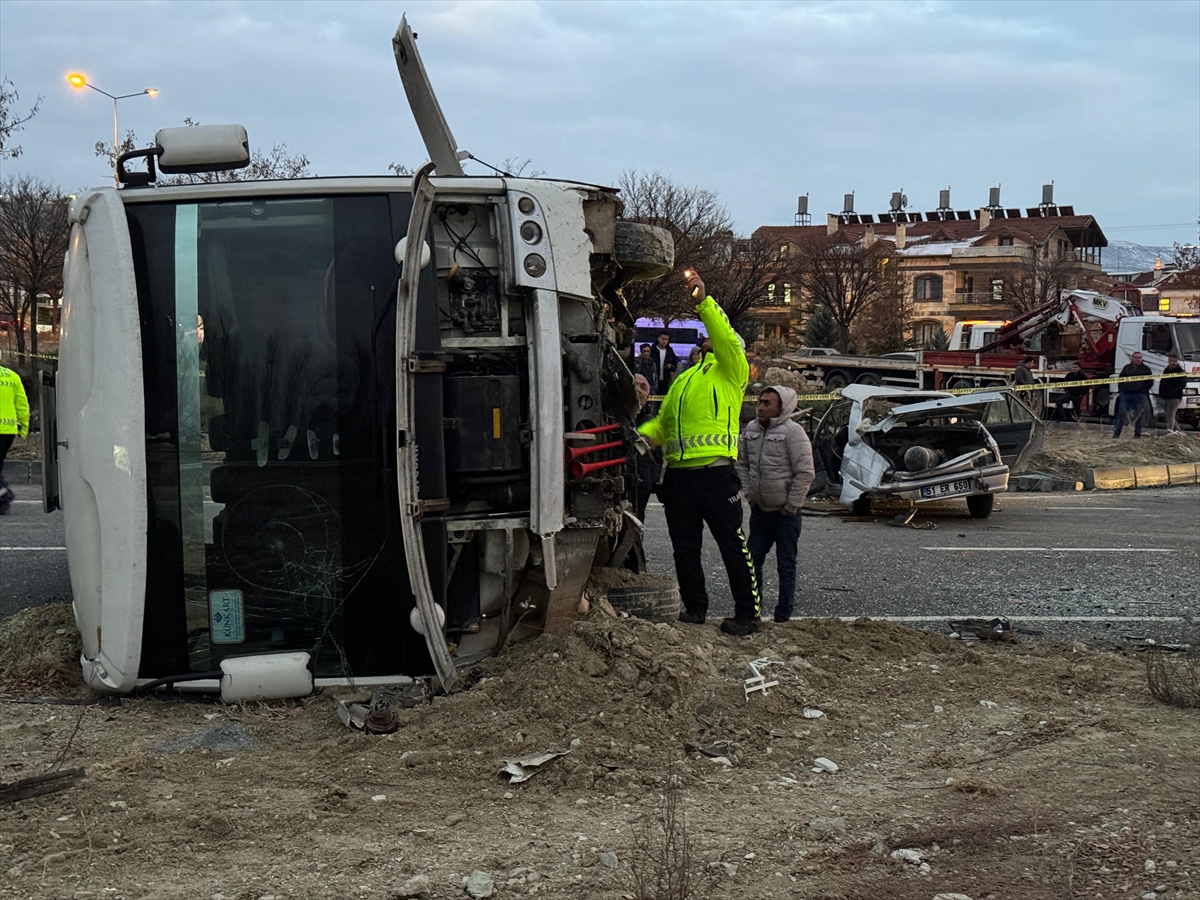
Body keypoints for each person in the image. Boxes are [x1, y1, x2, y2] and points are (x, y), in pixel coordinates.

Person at [639, 269, 760, 637]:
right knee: (684, 548)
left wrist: (704, 302)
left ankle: (748, 614)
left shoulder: (731, 371)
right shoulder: (685, 379)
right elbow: (663, 424)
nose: (707, 340)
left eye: (712, 338)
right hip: (678, 478)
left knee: (732, 546)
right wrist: (640, 437)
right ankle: (694, 608)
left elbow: (725, 337)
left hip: (714, 473)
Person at [736, 385, 815, 623]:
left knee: (785, 565)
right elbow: (743, 464)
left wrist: (791, 506)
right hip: (760, 510)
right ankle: (753, 612)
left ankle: (783, 615)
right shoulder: (751, 429)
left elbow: (805, 473)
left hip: (785, 514)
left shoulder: (794, 433)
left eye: (767, 403)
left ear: (783, 407)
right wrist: (749, 495)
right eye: (760, 402)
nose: (760, 407)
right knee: (752, 562)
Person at [0, 350, 31, 513]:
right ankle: (2, 498)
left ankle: (2, 491)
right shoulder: (12, 376)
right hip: (7, 430)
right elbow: (22, 404)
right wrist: (24, 427)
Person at [1112, 351, 1153, 438]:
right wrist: (1121, 390)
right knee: (1121, 413)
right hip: (1126, 394)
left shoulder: (1146, 369)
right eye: (1136, 358)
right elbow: (1121, 379)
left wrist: (1143, 390)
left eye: (1139, 358)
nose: (1138, 360)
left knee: (1139, 416)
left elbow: (1150, 381)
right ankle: (1116, 434)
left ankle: (1137, 435)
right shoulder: (1127, 368)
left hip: (1139, 394)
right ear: (1132, 358)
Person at [1158, 354, 1185, 434]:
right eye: (1171, 361)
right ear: (1168, 361)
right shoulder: (1166, 370)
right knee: (1168, 414)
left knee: (1171, 415)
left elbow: (1182, 383)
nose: (1173, 363)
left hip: (1174, 397)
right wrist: (1161, 392)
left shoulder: (1180, 371)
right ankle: (1178, 430)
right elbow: (1163, 382)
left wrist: (1174, 392)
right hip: (1165, 396)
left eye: (1174, 361)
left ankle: (1169, 431)